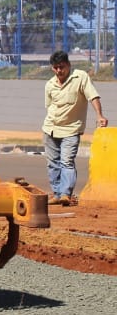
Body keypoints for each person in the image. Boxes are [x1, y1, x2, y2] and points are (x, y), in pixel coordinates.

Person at [42, 50, 108, 206]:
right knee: (52, 163)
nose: (59, 71)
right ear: (52, 68)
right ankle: (57, 194)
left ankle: (66, 194)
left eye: (62, 67)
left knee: (66, 162)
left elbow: (93, 96)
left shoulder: (80, 77)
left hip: (71, 130)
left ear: (69, 65)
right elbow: (49, 106)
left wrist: (99, 115)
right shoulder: (49, 84)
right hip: (50, 128)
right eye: (56, 67)